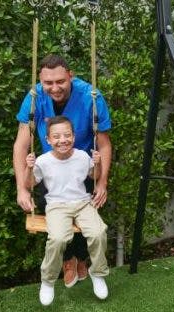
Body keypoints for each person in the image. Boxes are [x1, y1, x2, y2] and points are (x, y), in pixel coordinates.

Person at [12, 54, 112, 288]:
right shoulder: (34, 98)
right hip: (49, 168)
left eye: (60, 81)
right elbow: (21, 144)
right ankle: (68, 261)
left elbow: (104, 144)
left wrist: (102, 182)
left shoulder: (91, 97)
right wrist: (22, 188)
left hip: (82, 165)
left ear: (71, 76)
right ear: (40, 80)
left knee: (85, 213)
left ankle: (81, 260)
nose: (54, 88)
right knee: (57, 220)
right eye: (48, 83)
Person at [25, 116, 109, 305]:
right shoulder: (43, 161)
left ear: (73, 136)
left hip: (82, 203)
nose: (62, 140)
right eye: (56, 136)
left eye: (67, 135)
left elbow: (94, 175)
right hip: (57, 206)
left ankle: (97, 273)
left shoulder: (82, 156)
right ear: (48, 140)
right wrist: (28, 168)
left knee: (98, 232)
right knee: (58, 238)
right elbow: (29, 183)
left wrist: (98, 163)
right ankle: (47, 281)